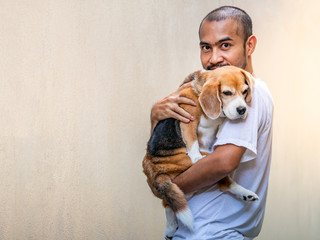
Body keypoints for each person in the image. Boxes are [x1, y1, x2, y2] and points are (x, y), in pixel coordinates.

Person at [148, 6, 274, 240]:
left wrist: (166, 187)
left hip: (213, 232)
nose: (214, 58)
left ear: (250, 45)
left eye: (225, 45)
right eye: (206, 47)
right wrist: (156, 119)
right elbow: (167, 153)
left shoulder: (248, 95)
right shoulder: (208, 95)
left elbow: (223, 163)